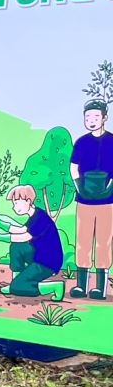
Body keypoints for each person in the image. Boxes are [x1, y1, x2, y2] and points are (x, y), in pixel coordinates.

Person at [70, 99, 113, 299]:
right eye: (88, 117)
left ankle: (101, 288)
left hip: (107, 201)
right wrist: (80, 186)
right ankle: (81, 286)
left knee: (104, 242)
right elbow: (73, 167)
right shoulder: (81, 142)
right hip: (84, 199)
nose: (91, 120)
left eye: (96, 117)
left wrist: (109, 187)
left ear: (104, 117)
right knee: (83, 241)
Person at [0, 185, 65, 298]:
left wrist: (0, 237)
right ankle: (16, 281)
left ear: (28, 201)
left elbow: (25, 236)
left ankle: (54, 287)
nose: (14, 207)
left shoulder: (41, 218)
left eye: (16, 203)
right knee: (17, 247)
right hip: (38, 255)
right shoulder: (35, 216)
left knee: (18, 287)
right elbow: (21, 230)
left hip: (47, 262)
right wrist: (1, 224)